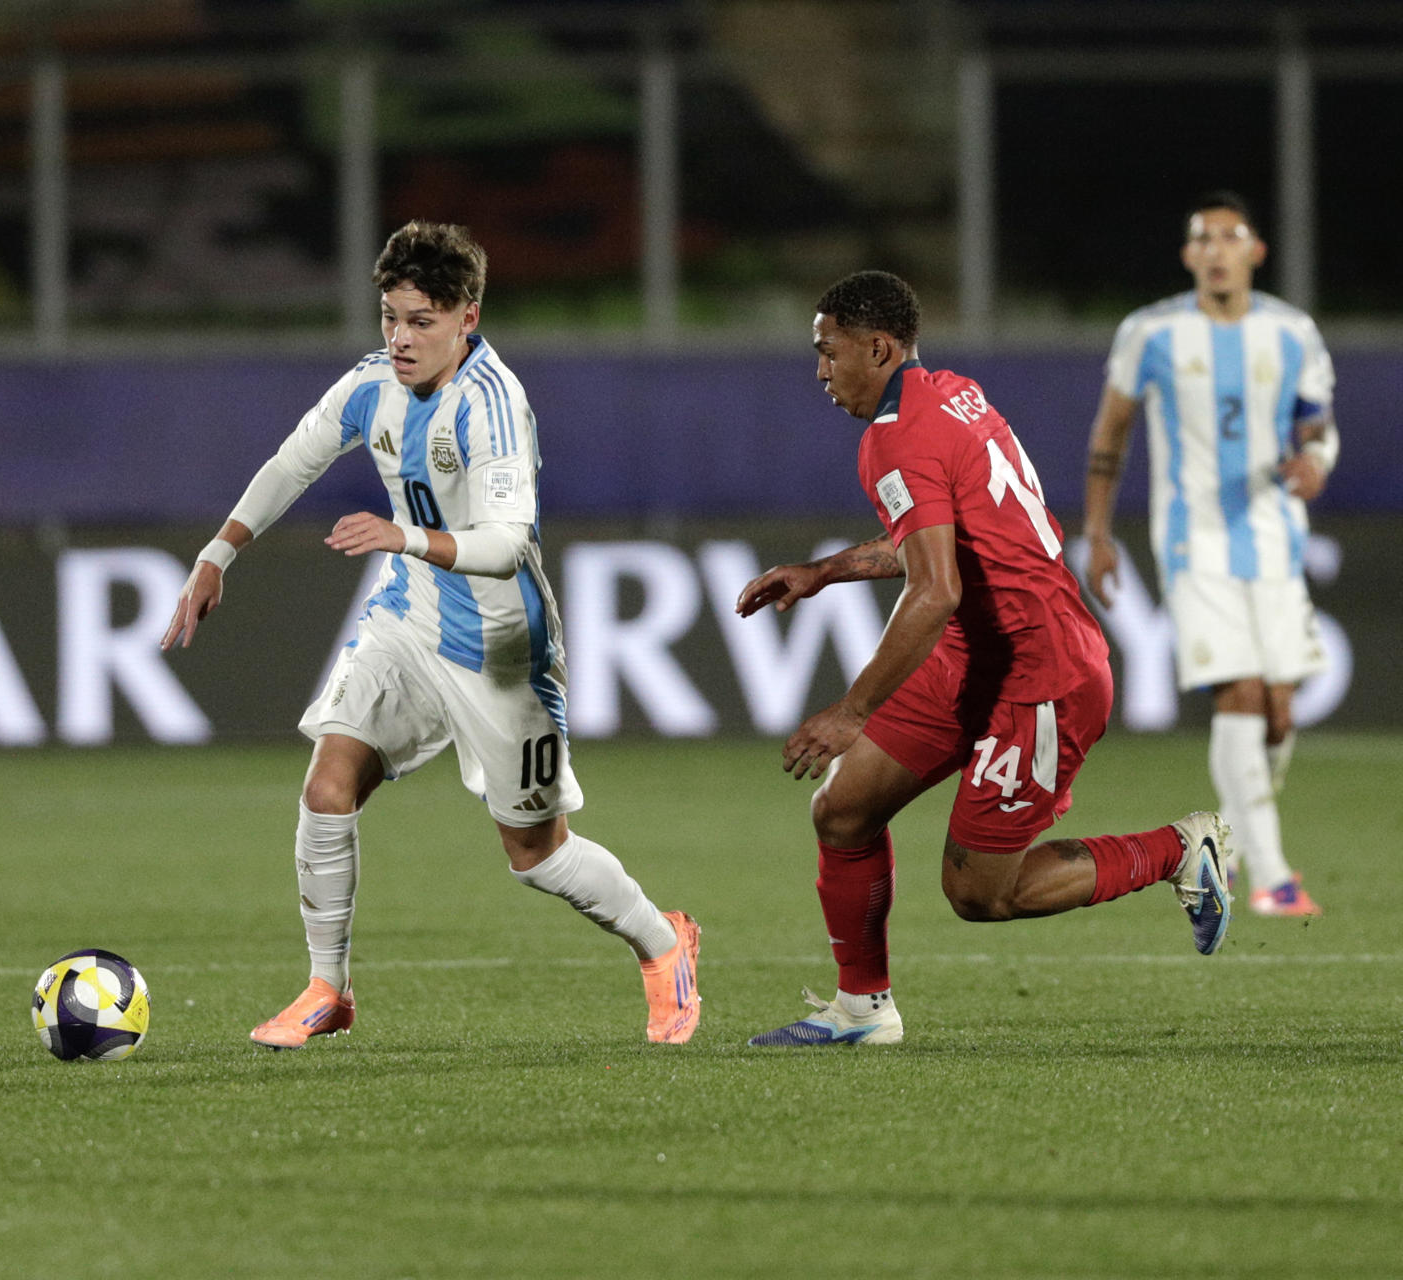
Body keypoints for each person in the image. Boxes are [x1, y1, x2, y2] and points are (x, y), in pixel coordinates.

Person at [161, 220, 700, 1048]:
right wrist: (217, 553)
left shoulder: (492, 405)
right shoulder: (372, 384)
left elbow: (505, 542)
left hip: (501, 647)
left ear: (467, 317)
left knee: (538, 857)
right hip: (408, 618)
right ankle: (327, 990)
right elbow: (292, 461)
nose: (401, 338)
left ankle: (664, 945)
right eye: (390, 317)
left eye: (421, 320)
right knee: (326, 787)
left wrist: (401, 535)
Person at [736, 270, 1232, 1048]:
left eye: (829, 353)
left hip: (1042, 674)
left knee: (980, 893)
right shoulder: (947, 392)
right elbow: (944, 543)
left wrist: (850, 711)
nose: (821, 373)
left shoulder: (895, 438)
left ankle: (1178, 848)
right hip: (976, 653)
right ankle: (863, 1012)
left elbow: (934, 589)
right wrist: (825, 571)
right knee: (843, 808)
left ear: (878, 346)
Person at [1082, 190, 1335, 917]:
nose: (1218, 250)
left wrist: (1316, 460)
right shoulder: (1152, 333)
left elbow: (1315, 425)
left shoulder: (1291, 333)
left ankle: (1228, 844)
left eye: (1232, 237)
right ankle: (1273, 880)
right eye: (1204, 239)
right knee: (1242, 694)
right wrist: (1098, 535)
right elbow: (1111, 435)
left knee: (1279, 714)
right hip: (1196, 540)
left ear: (1255, 251)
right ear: (1189, 255)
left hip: (1277, 539)